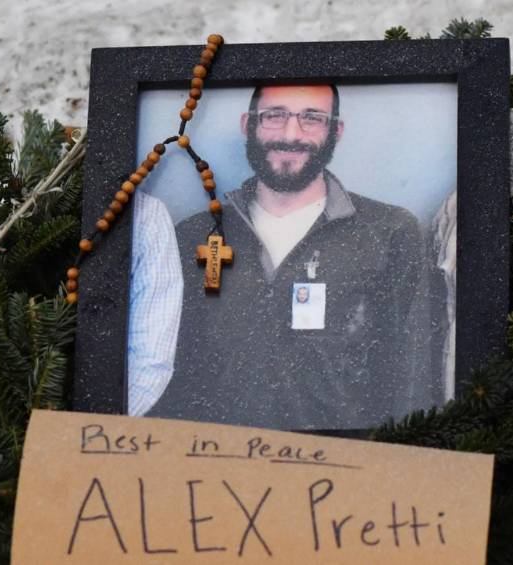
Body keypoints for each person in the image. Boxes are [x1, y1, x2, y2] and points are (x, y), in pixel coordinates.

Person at [144, 84, 434, 429]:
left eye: (312, 118)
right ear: (247, 125)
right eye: (274, 116)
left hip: (343, 457)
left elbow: (411, 375)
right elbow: (166, 369)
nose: (291, 134)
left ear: (336, 131)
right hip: (216, 455)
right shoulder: (194, 234)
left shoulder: (389, 232)